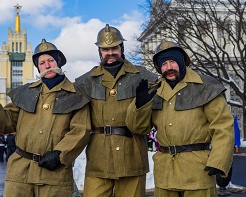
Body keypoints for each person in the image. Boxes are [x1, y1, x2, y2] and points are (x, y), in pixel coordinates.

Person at [0, 38, 91, 197]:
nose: (47, 66)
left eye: (51, 60)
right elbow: (6, 123)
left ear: (59, 62)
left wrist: (60, 154)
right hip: (20, 173)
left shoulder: (75, 95)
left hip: (54, 174)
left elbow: (81, 130)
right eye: (42, 62)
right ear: (38, 67)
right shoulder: (24, 93)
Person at [126, 40, 234, 197]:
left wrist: (219, 161)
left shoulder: (206, 87)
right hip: (165, 175)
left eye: (172, 62)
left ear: (182, 62)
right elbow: (137, 128)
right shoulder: (155, 90)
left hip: (198, 173)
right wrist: (140, 105)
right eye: (164, 64)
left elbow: (223, 126)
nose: (168, 68)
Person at [75, 24, 157, 196]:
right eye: (105, 49)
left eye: (114, 48)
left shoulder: (143, 77)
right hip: (99, 158)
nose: (110, 53)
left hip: (132, 157)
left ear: (122, 48)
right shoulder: (85, 82)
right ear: (99, 52)